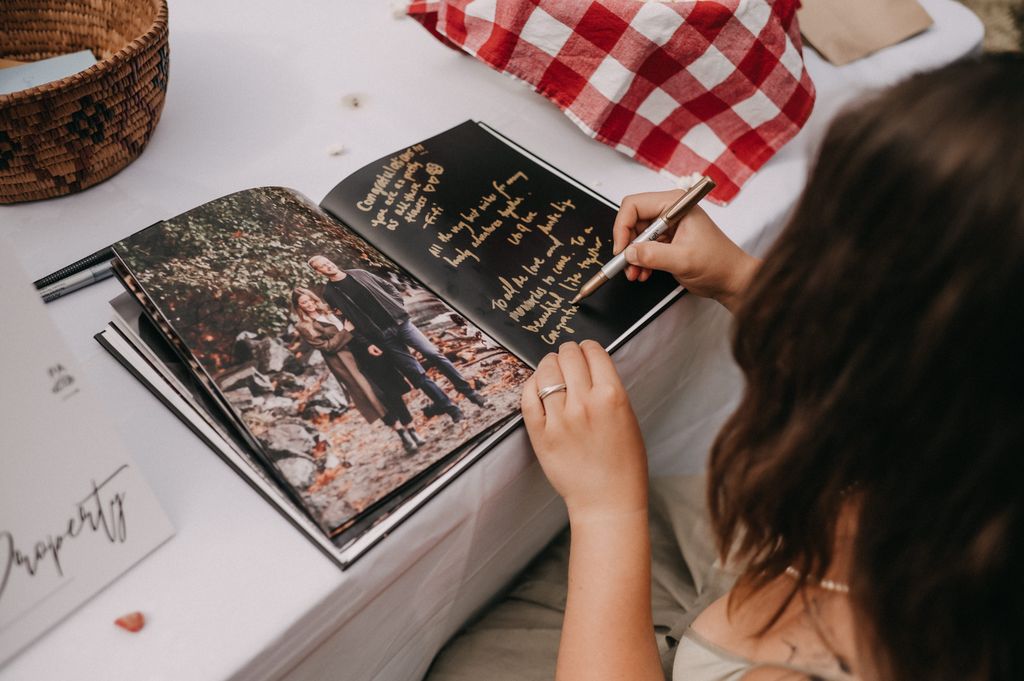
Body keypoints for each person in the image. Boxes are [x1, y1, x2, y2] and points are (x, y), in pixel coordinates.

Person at [428, 53, 1023, 681]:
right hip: (774, 559)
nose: (793, 275)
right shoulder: (979, 451)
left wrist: (608, 509)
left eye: (824, 259)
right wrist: (740, 279)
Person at [307, 255, 490, 424]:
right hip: (381, 337)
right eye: (322, 266)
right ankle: (451, 409)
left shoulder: (359, 274)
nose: (328, 265)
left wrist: (396, 306)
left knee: (434, 354)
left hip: (402, 324)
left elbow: (389, 287)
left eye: (327, 261)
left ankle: (471, 394)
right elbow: (346, 321)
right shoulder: (330, 293)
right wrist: (367, 343)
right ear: (318, 271)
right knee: (417, 374)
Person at [291, 287, 426, 454]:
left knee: (390, 390)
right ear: (299, 306)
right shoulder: (304, 326)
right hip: (346, 362)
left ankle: (410, 428)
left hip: (364, 350)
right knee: (374, 396)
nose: (309, 304)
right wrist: (345, 331)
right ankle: (401, 432)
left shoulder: (329, 309)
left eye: (310, 299)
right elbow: (327, 347)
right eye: (304, 302)